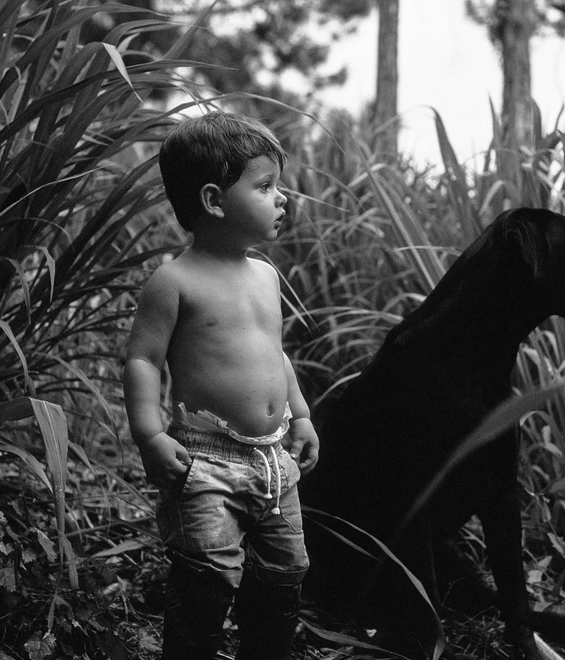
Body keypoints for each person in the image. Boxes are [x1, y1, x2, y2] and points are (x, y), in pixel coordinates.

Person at [123, 110, 319, 660]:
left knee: (286, 570)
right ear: (213, 200)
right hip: (206, 462)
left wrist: (299, 415)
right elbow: (142, 359)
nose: (282, 198)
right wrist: (150, 433)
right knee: (207, 570)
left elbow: (273, 352)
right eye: (265, 186)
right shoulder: (175, 281)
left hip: (274, 459)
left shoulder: (265, 275)